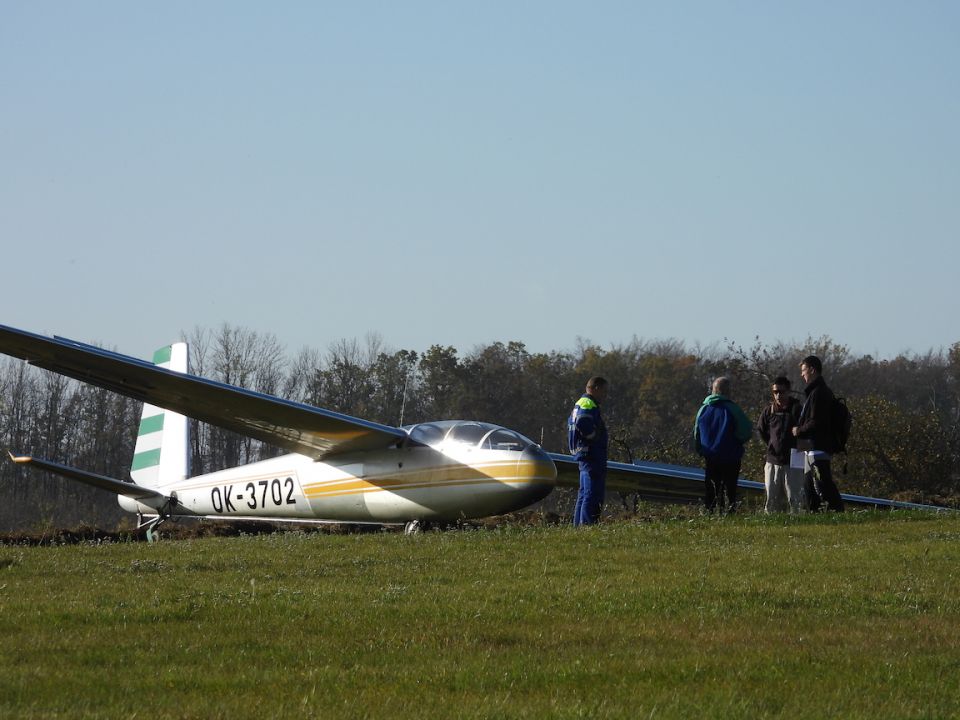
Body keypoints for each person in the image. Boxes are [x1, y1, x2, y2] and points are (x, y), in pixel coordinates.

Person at [792, 355, 845, 512]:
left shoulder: (819, 393)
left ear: (812, 370)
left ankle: (837, 513)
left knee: (823, 485)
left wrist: (798, 430)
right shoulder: (816, 392)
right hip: (811, 448)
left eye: (804, 370)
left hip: (818, 447)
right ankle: (814, 515)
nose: (802, 374)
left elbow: (816, 422)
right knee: (810, 488)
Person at [693, 377, 752, 513]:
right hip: (730, 456)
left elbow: (697, 433)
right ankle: (728, 514)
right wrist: (737, 441)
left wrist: (701, 450)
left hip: (710, 456)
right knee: (729, 490)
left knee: (711, 490)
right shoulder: (733, 409)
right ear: (727, 391)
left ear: (713, 390)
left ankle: (710, 514)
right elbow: (746, 431)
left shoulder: (703, 409)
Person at [756, 376, 805, 512]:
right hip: (773, 460)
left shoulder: (797, 410)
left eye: (781, 392)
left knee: (795, 499)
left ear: (788, 391)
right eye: (775, 392)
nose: (778, 395)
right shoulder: (769, 411)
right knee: (771, 500)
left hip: (794, 460)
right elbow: (761, 430)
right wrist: (771, 445)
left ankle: (797, 521)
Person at [568, 376, 609, 526]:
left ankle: (578, 526)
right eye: (604, 391)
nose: (605, 396)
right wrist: (594, 436)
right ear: (596, 388)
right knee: (592, 494)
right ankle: (587, 526)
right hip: (592, 454)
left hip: (585, 455)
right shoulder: (588, 403)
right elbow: (582, 421)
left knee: (584, 493)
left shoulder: (579, 403)